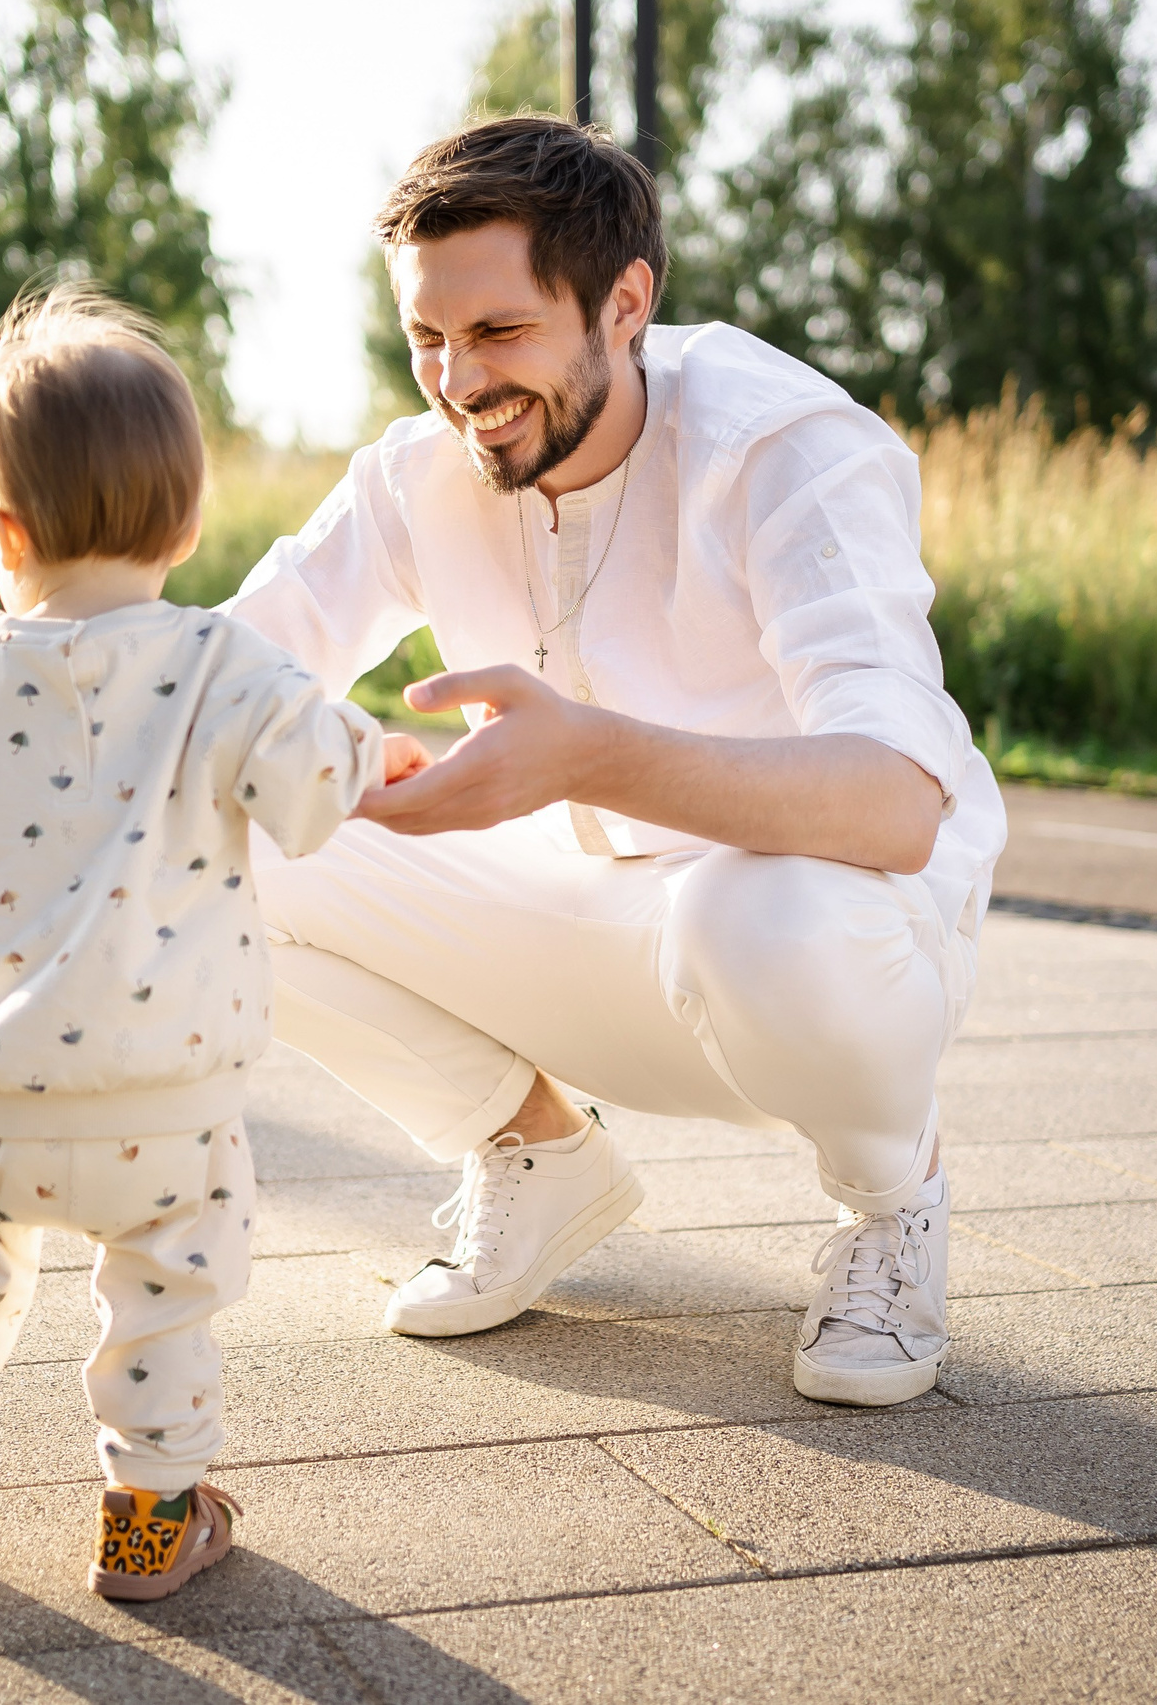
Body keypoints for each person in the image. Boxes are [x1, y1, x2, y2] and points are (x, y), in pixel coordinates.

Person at [223, 116, 1008, 1407]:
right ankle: (536, 1157)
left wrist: (587, 756)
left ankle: (892, 1207)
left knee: (758, 903)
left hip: (821, 956)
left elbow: (896, 803)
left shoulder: (788, 445)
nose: (457, 380)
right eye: (428, 337)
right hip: (585, 934)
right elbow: (224, 680)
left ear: (624, 303)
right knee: (226, 827)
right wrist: (26, 719)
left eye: (499, 332)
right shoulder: (417, 472)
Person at [0, 285, 385, 1600]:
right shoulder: (228, 666)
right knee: (165, 1307)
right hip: (169, 1104)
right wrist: (364, 740)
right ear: (185, 522)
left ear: (1, 528)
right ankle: (150, 1520)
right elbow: (318, 788)